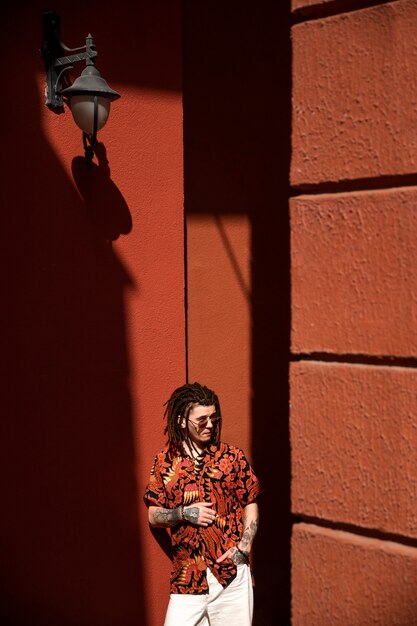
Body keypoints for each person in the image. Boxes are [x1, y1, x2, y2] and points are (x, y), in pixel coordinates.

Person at [143, 382, 262, 626]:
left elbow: (251, 501)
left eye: (213, 418)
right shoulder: (165, 462)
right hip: (186, 580)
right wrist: (184, 513)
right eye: (202, 419)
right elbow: (153, 516)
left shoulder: (231, 457)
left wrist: (244, 549)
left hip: (230, 576)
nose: (210, 425)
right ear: (181, 420)